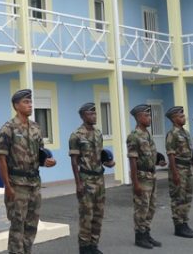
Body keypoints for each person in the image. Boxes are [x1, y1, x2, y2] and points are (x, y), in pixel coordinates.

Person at [0, 89, 57, 254]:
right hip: (17, 184)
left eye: (30, 102)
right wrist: (8, 186)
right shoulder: (8, 129)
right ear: (16, 106)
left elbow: (40, 154)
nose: (30, 105)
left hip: (34, 184)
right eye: (26, 102)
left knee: (31, 225)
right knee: (17, 225)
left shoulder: (36, 127)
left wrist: (46, 162)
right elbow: (1, 159)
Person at [69, 102, 115, 254]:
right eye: (90, 113)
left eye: (95, 113)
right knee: (86, 215)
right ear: (83, 116)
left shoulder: (98, 133)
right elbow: (74, 161)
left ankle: (94, 245)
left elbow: (99, 155)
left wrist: (107, 163)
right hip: (86, 179)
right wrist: (78, 183)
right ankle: (84, 247)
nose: (94, 116)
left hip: (99, 179)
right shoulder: (76, 135)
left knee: (98, 214)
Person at [126, 104, 166, 250]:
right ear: (138, 117)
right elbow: (133, 160)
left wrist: (158, 161)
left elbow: (148, 156)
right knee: (141, 207)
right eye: (146, 115)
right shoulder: (134, 136)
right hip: (142, 176)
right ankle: (140, 236)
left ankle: (147, 232)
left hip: (152, 175)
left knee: (151, 207)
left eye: (149, 115)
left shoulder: (148, 134)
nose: (149, 118)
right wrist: (135, 182)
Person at [164, 106, 193, 238]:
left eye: (183, 116)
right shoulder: (172, 134)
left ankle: (185, 223)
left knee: (187, 197)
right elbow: (171, 154)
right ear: (174, 119)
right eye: (181, 116)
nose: (184, 118)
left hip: (187, 168)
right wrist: (175, 173)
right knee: (178, 197)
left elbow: (187, 151)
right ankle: (178, 226)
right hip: (178, 169)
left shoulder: (185, 133)